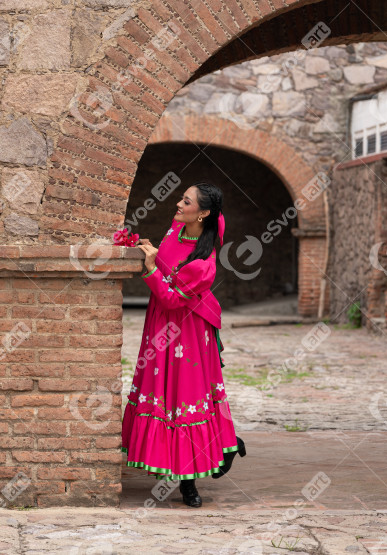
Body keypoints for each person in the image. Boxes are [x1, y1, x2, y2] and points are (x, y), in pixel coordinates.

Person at [122, 181, 246, 508]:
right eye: (182, 198)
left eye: (186, 201)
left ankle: (189, 483)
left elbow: (172, 298)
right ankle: (226, 445)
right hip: (159, 323)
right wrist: (150, 251)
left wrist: (149, 269)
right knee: (162, 392)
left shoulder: (204, 264)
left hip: (187, 330)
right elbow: (169, 269)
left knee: (185, 396)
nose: (178, 204)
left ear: (203, 213)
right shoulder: (178, 227)